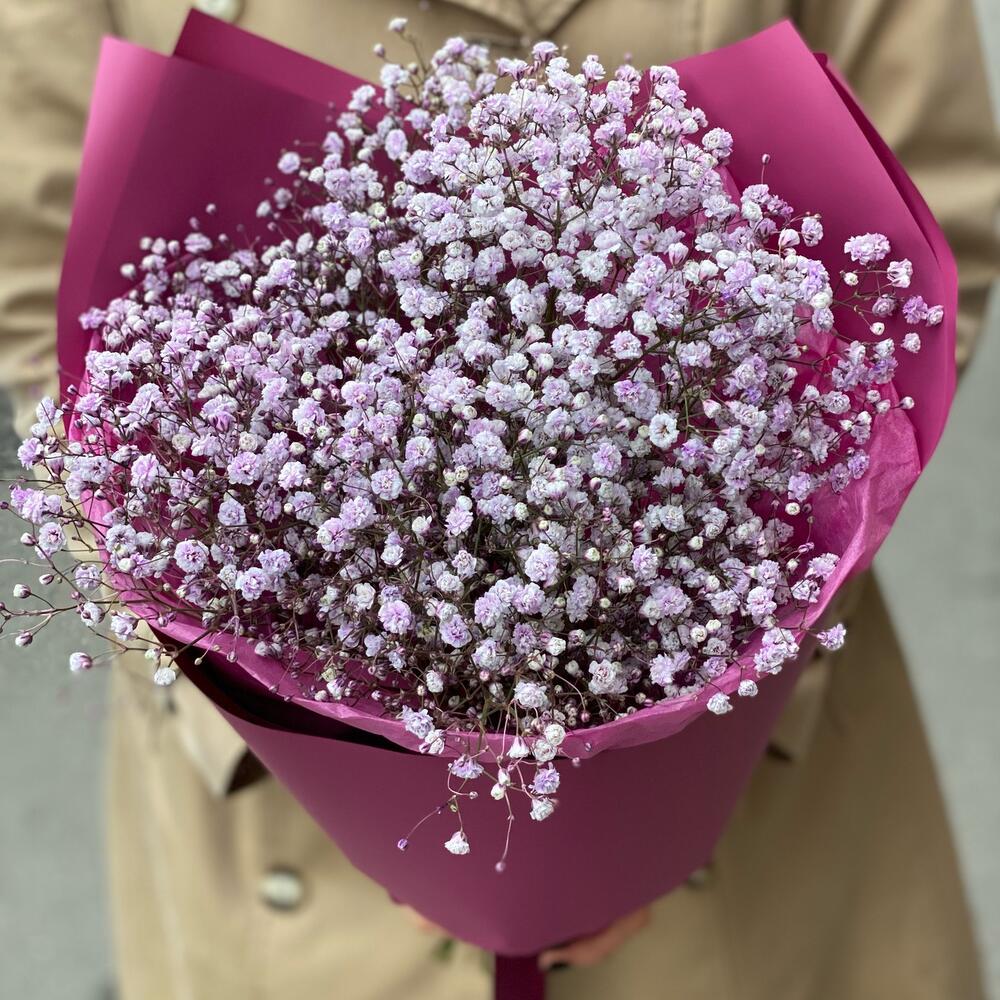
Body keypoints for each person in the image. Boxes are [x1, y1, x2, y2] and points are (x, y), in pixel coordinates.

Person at [1, 1, 998, 997]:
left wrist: (706, 724)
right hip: (280, 821)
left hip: (752, 776)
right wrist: (280, 703)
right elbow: (50, 294)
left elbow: (911, 244)